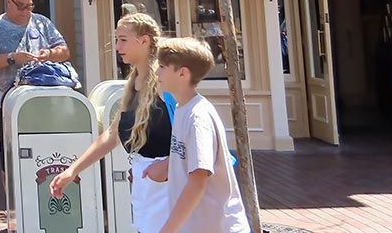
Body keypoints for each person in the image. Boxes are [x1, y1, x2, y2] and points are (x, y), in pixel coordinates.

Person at [49, 13, 171, 232]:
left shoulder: (165, 83)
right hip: (146, 186)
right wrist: (73, 170)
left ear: (144, 41)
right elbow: (112, 134)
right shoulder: (133, 84)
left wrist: (162, 168)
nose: (117, 46)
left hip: (170, 188)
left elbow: (191, 133)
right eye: (116, 39)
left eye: (123, 39)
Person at [146, 37, 249, 233]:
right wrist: (161, 168)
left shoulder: (197, 118)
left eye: (162, 67)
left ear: (183, 73)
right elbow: (185, 159)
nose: (157, 72)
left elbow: (198, 179)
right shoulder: (182, 109)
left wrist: (167, 230)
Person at [0, 0, 70, 171]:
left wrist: (49, 54)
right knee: (10, 161)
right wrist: (12, 58)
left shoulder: (42, 23)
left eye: (29, 6)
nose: (25, 11)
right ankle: (11, 199)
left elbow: (65, 51)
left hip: (42, 101)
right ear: (8, 1)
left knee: (42, 154)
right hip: (7, 103)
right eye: (20, 5)